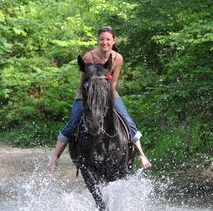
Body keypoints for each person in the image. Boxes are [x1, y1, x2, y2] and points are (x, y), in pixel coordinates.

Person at [48, 26, 152, 173]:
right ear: (98, 40)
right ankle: (55, 156)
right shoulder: (88, 57)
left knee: (126, 119)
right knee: (73, 121)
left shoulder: (118, 58)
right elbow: (83, 82)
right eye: (102, 39)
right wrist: (90, 96)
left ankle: (141, 154)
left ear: (113, 40)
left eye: (108, 39)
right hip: (87, 92)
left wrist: (106, 95)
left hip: (108, 91)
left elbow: (114, 82)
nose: (105, 42)